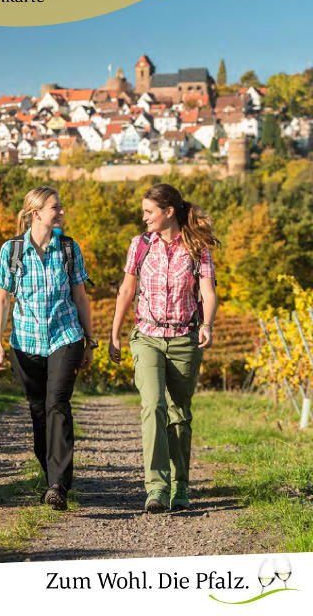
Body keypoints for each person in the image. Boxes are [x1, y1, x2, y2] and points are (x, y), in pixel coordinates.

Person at [109, 183, 218, 513]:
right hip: (147, 337)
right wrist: (114, 334)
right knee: (153, 404)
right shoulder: (140, 245)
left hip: (184, 339)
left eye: (149, 212)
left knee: (179, 414)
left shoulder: (197, 247)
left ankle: (180, 486)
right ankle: (155, 487)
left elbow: (209, 292)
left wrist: (208, 324)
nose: (144, 218)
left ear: (168, 212)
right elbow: (127, 290)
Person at [0, 185, 97, 511]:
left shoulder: (68, 249)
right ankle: (50, 475)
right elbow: (3, 299)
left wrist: (90, 341)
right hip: (25, 342)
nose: (62, 212)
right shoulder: (12, 251)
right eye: (56, 207)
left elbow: (80, 296)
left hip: (65, 337)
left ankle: (58, 485)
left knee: (57, 405)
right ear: (36, 212)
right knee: (39, 411)